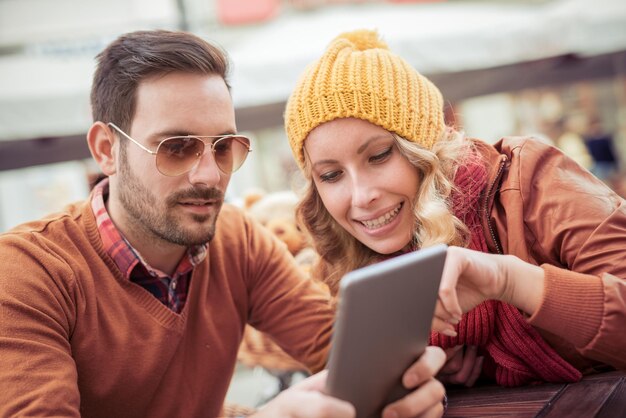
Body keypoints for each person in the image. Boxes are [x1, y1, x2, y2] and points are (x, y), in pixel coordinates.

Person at [0, 30, 448, 417]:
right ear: (105, 150)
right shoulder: (25, 274)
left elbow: (338, 345)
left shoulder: (236, 238)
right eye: (177, 147)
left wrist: (409, 377)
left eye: (223, 147)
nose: (211, 175)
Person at [284, 29, 626, 388]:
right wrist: (424, 373)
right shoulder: (341, 261)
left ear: (425, 148)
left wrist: (507, 280)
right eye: (331, 174)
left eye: (380, 155)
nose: (360, 196)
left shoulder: (529, 177)